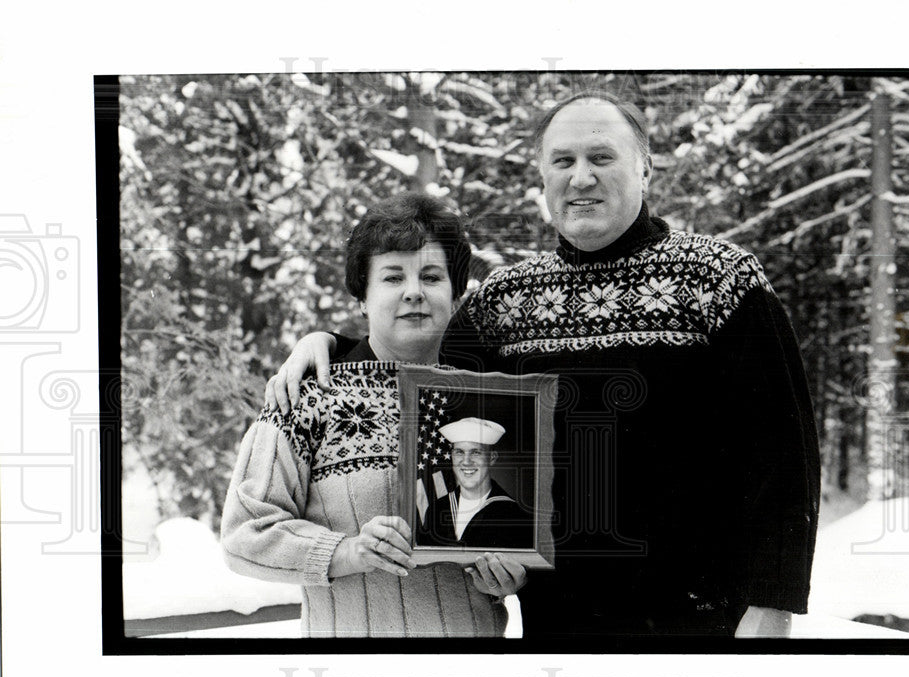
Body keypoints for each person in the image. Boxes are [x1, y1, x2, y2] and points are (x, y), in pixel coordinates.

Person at [265, 91, 820, 639]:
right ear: (544, 177)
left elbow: (784, 452)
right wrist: (336, 347)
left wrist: (773, 603)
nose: (581, 178)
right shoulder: (510, 298)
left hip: (705, 616)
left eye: (601, 158)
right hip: (561, 621)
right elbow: (418, 358)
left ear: (644, 169)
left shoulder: (719, 280)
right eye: (564, 161)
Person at [220, 193, 526, 637]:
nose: (414, 292)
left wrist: (507, 578)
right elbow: (245, 533)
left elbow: (513, 531)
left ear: (455, 295)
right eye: (392, 277)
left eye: (432, 276)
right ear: (362, 297)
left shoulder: (489, 404)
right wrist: (347, 553)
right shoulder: (309, 395)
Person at [417, 417, 535, 549]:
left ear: (492, 458)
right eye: (459, 452)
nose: (466, 461)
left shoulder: (515, 517)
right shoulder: (436, 510)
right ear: (452, 457)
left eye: (476, 452)